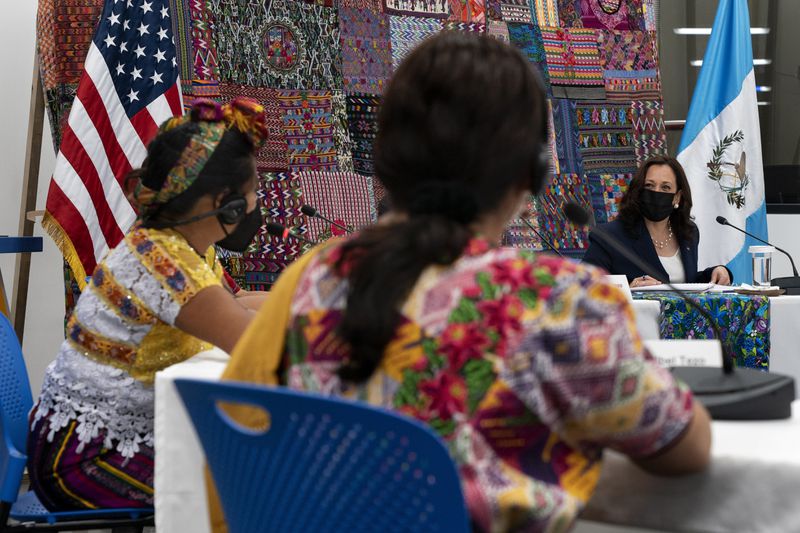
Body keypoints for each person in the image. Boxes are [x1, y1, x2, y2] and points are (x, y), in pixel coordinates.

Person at [216, 34, 711, 532]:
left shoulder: (311, 277)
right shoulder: (562, 299)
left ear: (389, 157)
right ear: (531, 175)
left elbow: (237, 446)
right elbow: (683, 448)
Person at [27, 98, 267, 511]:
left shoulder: (160, 243)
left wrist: (306, 292)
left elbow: (236, 305)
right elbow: (259, 341)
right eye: (252, 192)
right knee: (258, 483)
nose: (255, 204)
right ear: (222, 204)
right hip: (86, 464)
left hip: (74, 441)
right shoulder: (167, 265)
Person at [582, 155, 733, 288]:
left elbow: (685, 284)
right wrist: (628, 289)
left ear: (677, 197)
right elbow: (583, 285)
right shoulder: (610, 236)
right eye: (649, 185)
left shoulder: (688, 232)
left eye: (665, 187)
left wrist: (714, 273)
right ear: (639, 191)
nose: (656, 192)